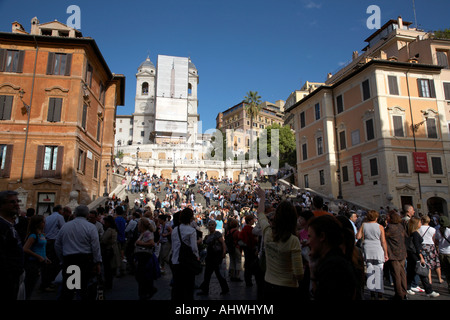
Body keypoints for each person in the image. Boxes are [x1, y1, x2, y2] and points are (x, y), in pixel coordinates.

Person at [255, 188, 304, 300]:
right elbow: (299, 274)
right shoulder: (293, 240)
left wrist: (262, 198)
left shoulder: (267, 232)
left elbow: (260, 214)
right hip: (288, 288)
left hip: (268, 284)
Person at [55, 205, 102, 300]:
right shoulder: (91, 227)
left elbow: (57, 244)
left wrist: (62, 259)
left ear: (75, 214)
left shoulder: (66, 226)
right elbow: (95, 246)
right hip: (85, 260)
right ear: (88, 215)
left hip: (70, 259)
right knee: (84, 288)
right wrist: (97, 262)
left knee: (69, 289)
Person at [307, 214, 357, 300]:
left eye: (310, 237)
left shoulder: (333, 267)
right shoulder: (334, 261)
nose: (308, 242)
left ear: (322, 237)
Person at [356, 210, 388, 300]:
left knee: (370, 271)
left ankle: (372, 294)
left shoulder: (364, 225)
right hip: (378, 249)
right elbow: (383, 241)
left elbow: (358, 236)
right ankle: (380, 294)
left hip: (367, 249)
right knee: (379, 272)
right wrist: (386, 253)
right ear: (376, 218)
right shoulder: (380, 227)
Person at [405, 216, 439, 297]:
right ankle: (429, 291)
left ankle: (408, 287)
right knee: (422, 273)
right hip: (416, 255)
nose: (421, 223)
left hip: (412, 255)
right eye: (419, 222)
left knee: (411, 272)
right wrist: (421, 257)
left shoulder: (412, 232)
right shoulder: (415, 234)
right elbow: (417, 247)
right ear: (416, 224)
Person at [0, 190, 25, 300]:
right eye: (12, 202)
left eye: (17, 201)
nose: (16, 204)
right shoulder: (2, 227)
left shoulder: (10, 226)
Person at [171, 207, 199, 301]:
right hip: (187, 262)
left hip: (175, 261)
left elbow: (174, 245)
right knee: (188, 288)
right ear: (191, 218)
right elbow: (194, 248)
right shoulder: (191, 231)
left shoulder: (175, 230)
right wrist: (197, 258)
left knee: (177, 288)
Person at [197, 220, 229, 296]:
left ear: (215, 226)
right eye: (210, 225)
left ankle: (225, 289)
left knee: (218, 274)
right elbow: (204, 245)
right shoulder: (207, 236)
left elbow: (223, 243)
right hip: (210, 257)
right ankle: (205, 289)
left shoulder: (217, 234)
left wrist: (224, 252)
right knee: (207, 274)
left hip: (216, 256)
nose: (211, 226)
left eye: (212, 225)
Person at [23, 215, 50, 299]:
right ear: (37, 223)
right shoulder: (33, 236)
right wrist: (38, 256)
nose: (44, 223)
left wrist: (45, 257)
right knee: (30, 285)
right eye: (43, 222)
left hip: (40, 261)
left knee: (34, 283)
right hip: (33, 262)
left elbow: (41, 248)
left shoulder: (41, 235)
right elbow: (25, 248)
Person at [40, 204, 65, 292]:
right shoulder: (59, 217)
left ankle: (44, 282)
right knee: (54, 263)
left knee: (46, 262)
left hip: (47, 241)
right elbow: (63, 229)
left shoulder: (47, 217)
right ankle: (51, 283)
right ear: (59, 210)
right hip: (54, 242)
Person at [384, 210, 408, 300]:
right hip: (402, 252)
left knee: (396, 275)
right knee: (402, 273)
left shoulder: (390, 228)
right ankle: (404, 292)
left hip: (394, 254)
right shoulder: (400, 226)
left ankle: (399, 294)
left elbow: (383, 237)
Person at [238, 214, 264, 295]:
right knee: (253, 264)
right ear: (249, 221)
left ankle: (248, 280)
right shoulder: (250, 229)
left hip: (246, 249)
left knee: (247, 264)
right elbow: (254, 240)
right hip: (251, 248)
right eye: (253, 220)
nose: (254, 221)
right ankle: (253, 280)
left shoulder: (245, 228)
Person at [134, 218, 158, 300]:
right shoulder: (143, 233)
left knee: (142, 276)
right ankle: (147, 290)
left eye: (138, 224)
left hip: (145, 257)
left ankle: (145, 292)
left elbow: (151, 243)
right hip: (141, 256)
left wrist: (141, 243)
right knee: (141, 276)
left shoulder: (147, 233)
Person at [419, 215, 443, 284]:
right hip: (431, 245)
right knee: (436, 262)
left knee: (427, 263)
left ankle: (429, 279)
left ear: (422, 220)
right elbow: (434, 239)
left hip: (423, 245)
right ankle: (440, 278)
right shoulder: (432, 229)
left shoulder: (419, 228)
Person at [100, 215, 121, 290]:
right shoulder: (114, 229)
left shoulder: (109, 230)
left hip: (108, 250)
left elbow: (103, 240)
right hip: (113, 249)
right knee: (110, 268)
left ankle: (108, 284)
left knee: (107, 268)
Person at [435, 216, 450, 293]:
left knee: (447, 271)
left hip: (441, 253)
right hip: (449, 252)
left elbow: (436, 241)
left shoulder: (437, 231)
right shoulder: (449, 230)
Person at [225, 217, 242, 282]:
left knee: (232, 261)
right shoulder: (236, 231)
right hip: (236, 247)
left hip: (230, 247)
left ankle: (232, 275)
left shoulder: (229, 231)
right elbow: (240, 239)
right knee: (238, 261)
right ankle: (237, 276)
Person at [114, 205, 127, 277]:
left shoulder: (117, 219)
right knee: (122, 254)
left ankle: (119, 270)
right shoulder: (123, 219)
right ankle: (123, 269)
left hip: (118, 238)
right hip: (123, 237)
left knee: (117, 255)